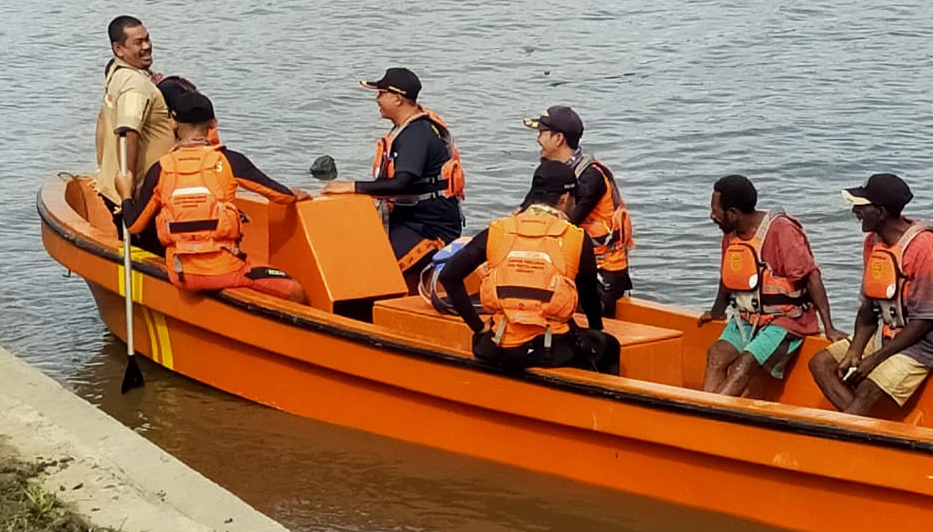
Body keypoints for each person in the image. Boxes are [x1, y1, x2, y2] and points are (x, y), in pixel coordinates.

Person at [115, 93, 312, 301]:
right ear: (213, 123)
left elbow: (134, 224)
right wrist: (295, 194)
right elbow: (281, 196)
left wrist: (126, 192)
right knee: (295, 289)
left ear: (173, 123)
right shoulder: (230, 160)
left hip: (181, 273)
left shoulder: (160, 168)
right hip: (226, 271)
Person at [439, 161, 618, 373]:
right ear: (564, 199)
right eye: (574, 199)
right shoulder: (575, 237)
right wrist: (596, 329)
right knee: (610, 346)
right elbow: (589, 297)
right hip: (550, 351)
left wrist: (477, 326)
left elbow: (450, 275)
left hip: (496, 346)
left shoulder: (499, 229)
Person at [809, 174, 933, 416]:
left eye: (861, 207)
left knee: (867, 388)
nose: (855, 212)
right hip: (888, 334)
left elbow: (926, 320)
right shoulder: (873, 243)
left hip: (927, 343)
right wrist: (855, 352)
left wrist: (874, 360)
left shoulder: (923, 248)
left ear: (880, 212)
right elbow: (868, 308)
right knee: (821, 364)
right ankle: (861, 422)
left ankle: (856, 422)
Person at [699, 175, 847, 397]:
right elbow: (728, 278)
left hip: (786, 321)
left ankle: (710, 420)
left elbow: (812, 277)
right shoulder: (730, 235)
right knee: (716, 355)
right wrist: (716, 311)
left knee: (743, 365)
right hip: (747, 318)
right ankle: (705, 413)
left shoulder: (781, 230)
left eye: (715, 210)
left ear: (733, 213)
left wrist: (829, 326)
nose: (712, 216)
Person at [322, 68, 464, 290]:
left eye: (380, 94)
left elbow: (402, 183)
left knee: (375, 265)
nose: (377, 100)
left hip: (430, 227)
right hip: (409, 220)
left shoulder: (416, 135)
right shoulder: (407, 129)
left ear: (397, 99)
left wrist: (352, 186)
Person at [522, 106, 634, 316]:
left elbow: (564, 225)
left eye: (541, 134)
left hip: (602, 274)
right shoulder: (549, 174)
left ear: (558, 138)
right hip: (568, 268)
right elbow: (523, 213)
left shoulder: (591, 177)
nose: (537, 140)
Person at [95, 16, 175, 216]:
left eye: (147, 39)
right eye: (138, 42)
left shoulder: (115, 72)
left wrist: (102, 170)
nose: (147, 46)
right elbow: (128, 134)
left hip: (114, 188)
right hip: (141, 195)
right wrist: (128, 194)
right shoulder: (135, 85)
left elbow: (103, 120)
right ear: (118, 49)